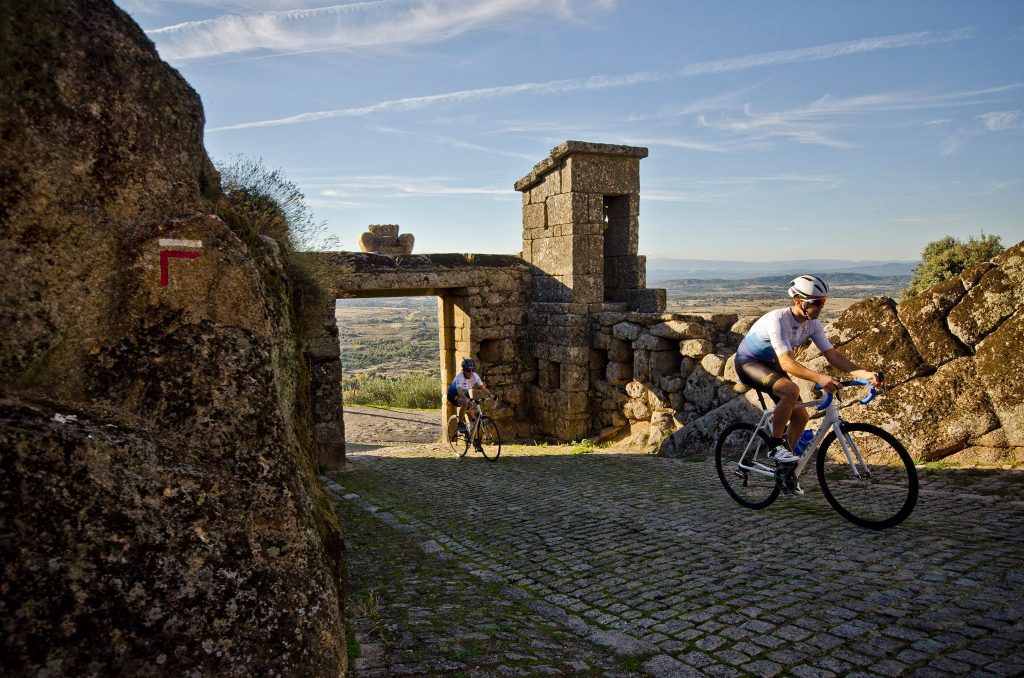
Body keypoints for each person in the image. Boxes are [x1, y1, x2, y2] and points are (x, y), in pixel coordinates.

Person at [734, 274, 884, 472]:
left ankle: (785, 468)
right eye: (817, 303)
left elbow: (832, 355)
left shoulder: (812, 324)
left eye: (823, 302)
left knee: (801, 417)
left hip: (771, 365)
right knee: (790, 390)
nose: (821, 307)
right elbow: (787, 363)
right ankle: (774, 446)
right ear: (799, 302)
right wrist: (821, 378)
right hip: (749, 363)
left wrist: (865, 374)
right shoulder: (778, 320)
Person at [447, 358, 493, 451]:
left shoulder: (474, 375)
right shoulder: (459, 377)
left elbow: (482, 387)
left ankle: (475, 442)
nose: (470, 372)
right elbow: (460, 392)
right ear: (464, 370)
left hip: (464, 393)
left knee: (474, 419)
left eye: (472, 370)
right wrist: (466, 399)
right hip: (454, 395)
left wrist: (491, 395)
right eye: (468, 370)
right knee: (465, 402)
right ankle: (460, 423)